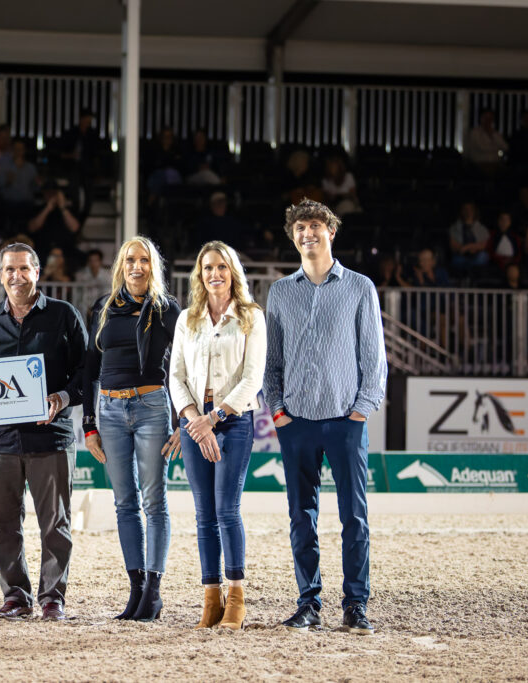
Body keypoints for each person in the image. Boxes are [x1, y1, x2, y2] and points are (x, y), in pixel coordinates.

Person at [263, 199, 387, 636]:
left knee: (354, 517)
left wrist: (360, 412)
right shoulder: (280, 292)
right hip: (296, 422)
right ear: (293, 235)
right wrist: (277, 411)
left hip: (345, 421)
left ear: (331, 231)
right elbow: (271, 362)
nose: (307, 233)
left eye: (315, 225)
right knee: (302, 517)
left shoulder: (359, 287)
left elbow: (374, 359)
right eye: (300, 227)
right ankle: (309, 603)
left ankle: (355, 605)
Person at [0, 242, 87, 622]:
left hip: (50, 439)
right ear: (0, 275)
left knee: (55, 524)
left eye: (23, 269)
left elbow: (86, 373)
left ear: (37, 272)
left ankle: (52, 598)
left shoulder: (64, 316)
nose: (16, 276)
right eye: (9, 270)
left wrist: (62, 398)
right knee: (3, 526)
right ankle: (16, 596)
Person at [164, 240, 265, 631]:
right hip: (195, 422)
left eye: (222, 266)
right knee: (203, 513)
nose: (215, 274)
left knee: (227, 509)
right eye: (208, 267)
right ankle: (211, 598)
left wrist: (215, 417)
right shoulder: (187, 319)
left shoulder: (251, 316)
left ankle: (236, 597)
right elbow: (175, 376)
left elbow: (252, 378)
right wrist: (194, 419)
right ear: (200, 274)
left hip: (234, 421)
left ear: (233, 271)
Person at [82, 237, 180, 621]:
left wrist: (182, 419)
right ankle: (136, 588)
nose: (136, 267)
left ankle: (153, 592)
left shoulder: (166, 309)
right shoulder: (103, 308)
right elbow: (90, 368)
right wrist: (89, 424)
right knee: (124, 502)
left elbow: (185, 366)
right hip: (109, 411)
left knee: (154, 501)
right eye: (129, 260)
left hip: (152, 406)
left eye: (144, 260)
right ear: (120, 266)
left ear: (153, 266)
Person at [28, 184, 81, 268]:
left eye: (54, 193)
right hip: (43, 250)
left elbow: (75, 228)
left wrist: (62, 207)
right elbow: (32, 227)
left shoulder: (69, 210)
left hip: (65, 250)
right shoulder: (38, 209)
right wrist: (48, 208)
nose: (52, 196)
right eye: (48, 193)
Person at [448, 201, 491, 273]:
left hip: (477, 256)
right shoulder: (454, 228)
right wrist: (463, 249)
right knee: (456, 260)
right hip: (461, 256)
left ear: (474, 211)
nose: (468, 212)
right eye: (465, 209)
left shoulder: (482, 228)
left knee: (483, 256)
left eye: (470, 209)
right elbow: (453, 246)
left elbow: (483, 245)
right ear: (461, 211)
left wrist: (468, 247)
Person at [464, 108, 508, 175]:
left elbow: (505, 147)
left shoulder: (495, 133)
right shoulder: (474, 133)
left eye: (490, 118)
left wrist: (492, 135)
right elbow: (482, 148)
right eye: (486, 118)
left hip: (496, 164)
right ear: (481, 118)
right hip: (479, 165)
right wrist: (496, 147)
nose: (488, 121)